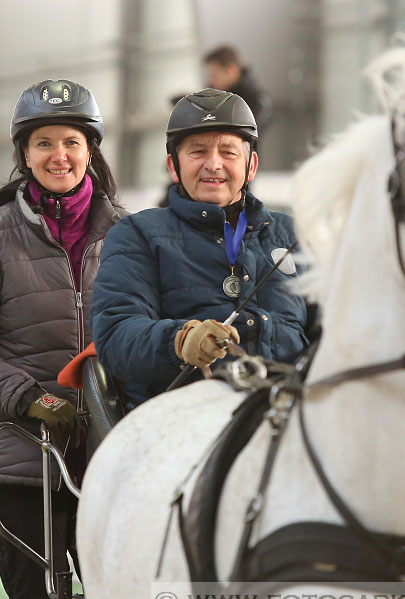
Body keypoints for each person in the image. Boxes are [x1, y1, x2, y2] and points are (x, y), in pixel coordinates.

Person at [0, 79, 125, 599]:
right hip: (20, 452)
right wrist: (27, 398)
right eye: (43, 143)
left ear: (90, 150)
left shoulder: (130, 236)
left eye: (71, 141)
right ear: (24, 154)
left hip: (111, 451)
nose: (58, 155)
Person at [91, 88, 311, 407]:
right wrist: (179, 340)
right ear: (173, 166)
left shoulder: (292, 234)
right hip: (180, 421)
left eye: (228, 152)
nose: (213, 164)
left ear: (251, 166)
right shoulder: (137, 234)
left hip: (288, 414)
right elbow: (116, 336)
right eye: (197, 152)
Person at [204, 45, 273, 134]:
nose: (211, 80)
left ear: (230, 69)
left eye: (214, 74)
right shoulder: (219, 98)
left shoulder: (257, 103)